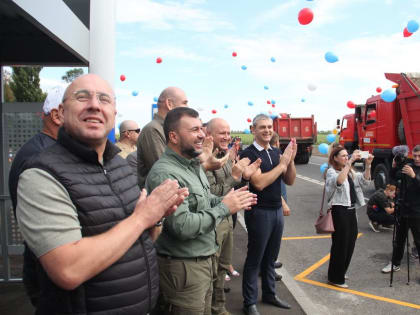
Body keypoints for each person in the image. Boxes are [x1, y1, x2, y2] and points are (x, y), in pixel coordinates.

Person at [15, 74, 187, 314]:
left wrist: (157, 216)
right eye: (82, 97)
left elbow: (143, 239)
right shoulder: (40, 174)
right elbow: (68, 270)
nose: (94, 104)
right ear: (62, 113)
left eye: (104, 99)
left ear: (113, 115)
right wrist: (142, 218)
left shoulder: (117, 164)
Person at [146, 107, 257, 315]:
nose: (202, 135)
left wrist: (224, 199)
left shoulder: (192, 165)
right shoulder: (166, 173)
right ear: (174, 136)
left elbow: (203, 200)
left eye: (202, 129)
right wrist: (224, 208)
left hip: (203, 263)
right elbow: (182, 226)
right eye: (194, 130)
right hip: (184, 270)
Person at [8, 85, 65, 307]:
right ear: (57, 115)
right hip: (49, 274)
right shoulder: (41, 156)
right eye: (80, 112)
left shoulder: (51, 149)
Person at [240, 114, 297, 315]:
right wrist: (281, 165)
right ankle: (249, 303)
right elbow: (259, 183)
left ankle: (270, 294)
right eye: (262, 127)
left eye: (269, 127)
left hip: (276, 211)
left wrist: (289, 161)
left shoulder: (275, 152)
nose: (267, 130)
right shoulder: (247, 154)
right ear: (253, 129)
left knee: (271, 258)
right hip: (259, 212)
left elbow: (289, 181)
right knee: (255, 258)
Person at [205, 118, 261, 315]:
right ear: (208, 134)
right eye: (222, 133)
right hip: (213, 223)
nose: (227, 137)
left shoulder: (225, 156)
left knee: (221, 269)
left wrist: (243, 177)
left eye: (228, 133)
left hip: (228, 219)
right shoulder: (206, 160)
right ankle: (209, 308)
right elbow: (213, 192)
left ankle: (218, 307)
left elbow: (231, 187)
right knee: (210, 271)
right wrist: (235, 176)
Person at [325, 147, 373, 288]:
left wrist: (368, 165)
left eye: (348, 155)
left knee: (350, 243)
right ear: (335, 158)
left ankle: (340, 271)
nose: (346, 158)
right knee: (340, 244)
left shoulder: (350, 171)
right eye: (344, 156)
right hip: (339, 210)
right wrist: (350, 162)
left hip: (351, 210)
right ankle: (335, 278)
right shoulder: (331, 172)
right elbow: (338, 182)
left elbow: (364, 181)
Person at [137, 87, 189, 188]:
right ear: (169, 104)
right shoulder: (153, 130)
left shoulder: (168, 129)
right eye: (184, 103)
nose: (188, 107)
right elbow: (165, 172)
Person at [381, 144, 420, 274]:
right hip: (404, 208)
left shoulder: (413, 170)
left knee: (418, 241)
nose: (417, 158)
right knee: (399, 239)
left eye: (419, 156)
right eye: (414, 155)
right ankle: (395, 263)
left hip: (417, 211)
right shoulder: (409, 166)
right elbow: (394, 178)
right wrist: (393, 167)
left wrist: (414, 176)